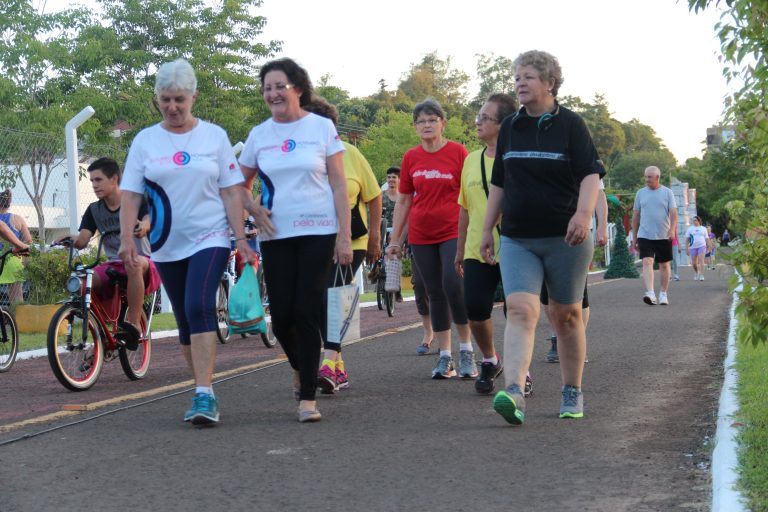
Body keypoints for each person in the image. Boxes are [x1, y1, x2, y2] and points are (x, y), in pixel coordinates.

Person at [119, 59, 253, 427]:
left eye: (179, 99)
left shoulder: (214, 137)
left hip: (210, 236)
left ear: (194, 97)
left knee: (198, 305)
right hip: (165, 241)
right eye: (165, 100)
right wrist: (127, 240)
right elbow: (130, 194)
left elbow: (231, 191)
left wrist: (240, 237)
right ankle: (201, 388)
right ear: (157, 98)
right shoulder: (145, 141)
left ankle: (204, 393)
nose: (173, 107)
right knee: (183, 316)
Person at [480, 50, 604, 425]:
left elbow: (590, 175)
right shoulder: (511, 128)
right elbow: (500, 182)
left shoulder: (572, 125)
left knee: (565, 316)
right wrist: (487, 229)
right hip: (518, 237)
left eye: (529, 76)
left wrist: (582, 215)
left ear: (550, 83)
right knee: (521, 310)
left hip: (565, 238)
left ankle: (572, 390)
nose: (520, 82)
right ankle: (515, 392)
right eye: (517, 77)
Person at [238, 58, 352, 423]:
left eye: (279, 86)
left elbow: (339, 184)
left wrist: (345, 236)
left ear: (298, 89)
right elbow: (238, 184)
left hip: (318, 230)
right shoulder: (259, 135)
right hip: (276, 234)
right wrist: (253, 210)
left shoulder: (321, 128)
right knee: (282, 315)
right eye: (267, 88)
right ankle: (302, 367)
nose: (272, 93)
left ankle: (308, 399)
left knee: (305, 310)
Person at [386, 98, 474, 380]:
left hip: (453, 231)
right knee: (433, 291)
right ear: (415, 127)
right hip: (421, 234)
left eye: (432, 120)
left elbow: (470, 194)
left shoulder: (458, 152)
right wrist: (395, 239)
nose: (426, 125)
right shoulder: (411, 158)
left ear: (442, 123)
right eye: (421, 121)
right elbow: (404, 200)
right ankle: (445, 356)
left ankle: (467, 350)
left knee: (454, 286)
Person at [301, 96, 382, 393]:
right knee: (318, 301)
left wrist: (375, 237)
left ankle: (327, 362)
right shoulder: (301, 157)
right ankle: (338, 368)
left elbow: (374, 196)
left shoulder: (350, 153)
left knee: (334, 295)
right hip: (314, 239)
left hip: (352, 240)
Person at [61, 158, 161, 349]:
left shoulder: (136, 200)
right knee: (82, 281)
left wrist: (143, 226)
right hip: (113, 263)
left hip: (144, 261)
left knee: (133, 263)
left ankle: (132, 325)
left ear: (114, 179)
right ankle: (102, 334)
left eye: (98, 180)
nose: (94, 185)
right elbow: (82, 240)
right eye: (92, 181)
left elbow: (148, 220)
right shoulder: (94, 210)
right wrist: (68, 239)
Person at [454, 93, 517, 394]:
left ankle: (520, 371)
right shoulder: (470, 160)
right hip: (475, 250)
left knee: (515, 312)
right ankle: (491, 360)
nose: (477, 122)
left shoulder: (516, 159)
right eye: (478, 116)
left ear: (503, 125)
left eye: (484, 117)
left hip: (513, 247)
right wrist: (459, 250)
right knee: (475, 308)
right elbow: (464, 209)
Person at [543, 180, 608, 363]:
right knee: (546, 294)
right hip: (542, 233)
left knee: (577, 294)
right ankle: (558, 336)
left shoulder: (584, 162)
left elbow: (599, 194)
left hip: (577, 233)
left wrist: (602, 226)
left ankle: (577, 341)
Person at [632, 165, 677, 306]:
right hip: (645, 234)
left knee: (664, 264)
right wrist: (634, 237)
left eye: (649, 177)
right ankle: (650, 293)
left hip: (664, 235)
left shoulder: (667, 193)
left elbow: (673, 213)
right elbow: (636, 216)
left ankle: (663, 293)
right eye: (645, 177)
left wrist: (672, 230)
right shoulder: (640, 193)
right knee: (647, 261)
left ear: (657, 177)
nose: (647, 179)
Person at [0, 189, 32, 303]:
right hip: (13, 257)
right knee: (16, 300)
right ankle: (16, 312)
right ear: (9, 204)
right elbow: (29, 241)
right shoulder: (17, 219)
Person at [685, 216, 708, 281]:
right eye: (693, 220)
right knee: (694, 263)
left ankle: (702, 275)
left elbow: (707, 238)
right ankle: (697, 272)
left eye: (695, 220)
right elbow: (687, 239)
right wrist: (687, 249)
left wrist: (709, 246)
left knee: (701, 260)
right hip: (693, 247)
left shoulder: (703, 228)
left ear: (699, 221)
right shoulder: (690, 229)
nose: (694, 222)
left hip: (702, 246)